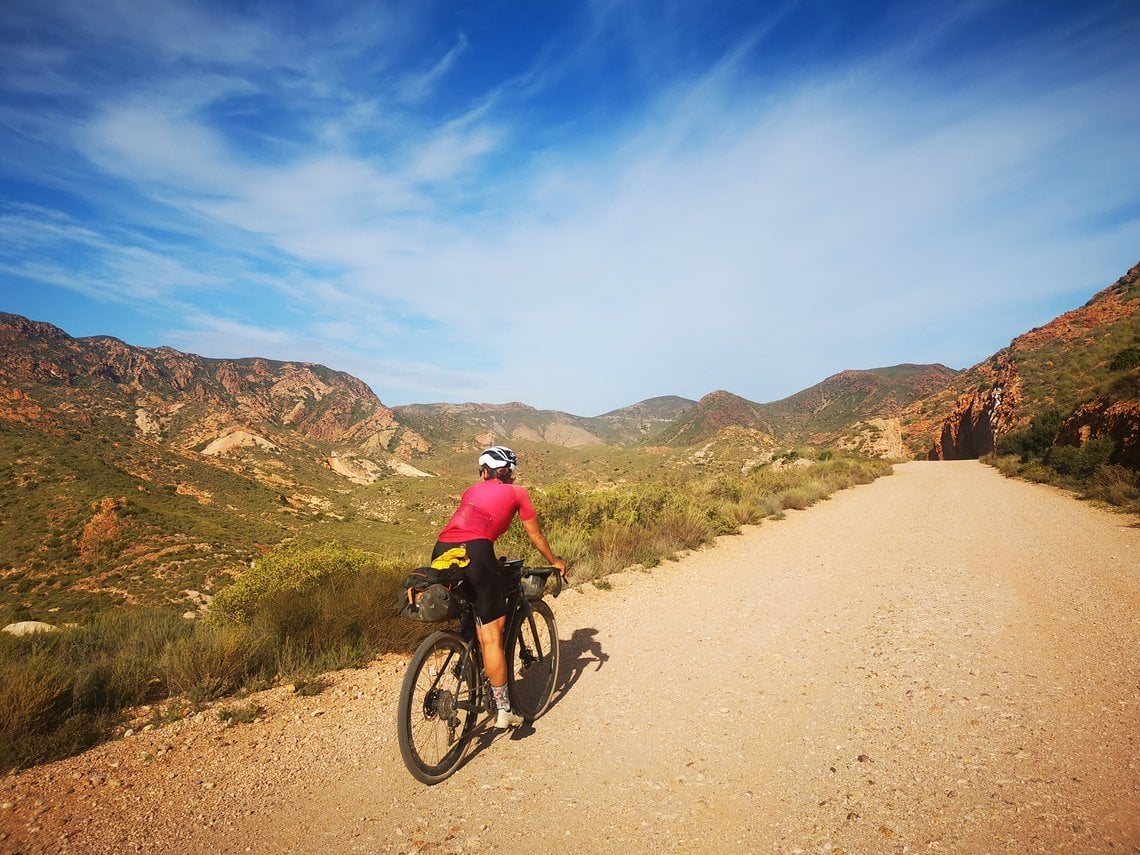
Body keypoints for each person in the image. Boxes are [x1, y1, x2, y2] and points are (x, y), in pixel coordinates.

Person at [432, 446, 568, 729]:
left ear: (484, 471)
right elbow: (534, 534)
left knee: (472, 608)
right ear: (509, 471)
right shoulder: (517, 493)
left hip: (442, 550)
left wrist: (492, 562)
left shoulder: (470, 492)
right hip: (478, 552)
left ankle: (465, 658)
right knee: (492, 635)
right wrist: (554, 561)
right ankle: (504, 710)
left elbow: (471, 530)